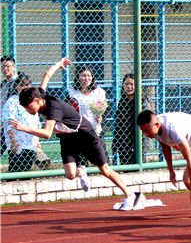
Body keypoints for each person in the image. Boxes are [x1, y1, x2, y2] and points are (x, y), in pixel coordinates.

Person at [10, 57, 140, 210]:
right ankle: (81, 170)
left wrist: (23, 128)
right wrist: (59, 64)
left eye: (28, 107)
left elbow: (46, 133)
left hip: (84, 134)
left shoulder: (53, 108)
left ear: (37, 101)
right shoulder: (40, 94)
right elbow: (46, 75)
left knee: (104, 169)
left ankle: (131, 195)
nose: (27, 110)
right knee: (71, 174)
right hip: (67, 138)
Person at [2, 73, 51, 172]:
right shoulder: (12, 101)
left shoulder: (33, 101)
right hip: (18, 142)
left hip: (30, 141)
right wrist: (12, 141)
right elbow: (8, 122)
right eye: (22, 84)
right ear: (16, 87)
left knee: (27, 168)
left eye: (27, 84)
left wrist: (37, 141)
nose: (25, 86)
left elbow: (36, 122)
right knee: (16, 168)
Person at [112, 74, 151, 166]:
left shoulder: (142, 100)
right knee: (125, 166)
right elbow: (118, 123)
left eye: (131, 84)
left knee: (138, 165)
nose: (129, 87)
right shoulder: (122, 101)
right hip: (124, 141)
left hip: (137, 139)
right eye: (126, 84)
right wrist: (115, 143)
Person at [67, 66, 107, 135]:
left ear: (92, 77)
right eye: (83, 76)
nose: (86, 78)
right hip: (78, 128)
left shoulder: (99, 92)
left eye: (89, 76)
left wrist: (101, 117)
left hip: (95, 128)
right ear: (78, 77)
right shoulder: (71, 92)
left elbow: (106, 109)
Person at [0, 55, 18, 157]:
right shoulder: (3, 84)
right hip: (4, 121)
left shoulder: (18, 82)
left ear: (14, 67)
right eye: (2, 66)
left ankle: (42, 161)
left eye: (8, 66)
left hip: (14, 121)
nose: (5, 69)